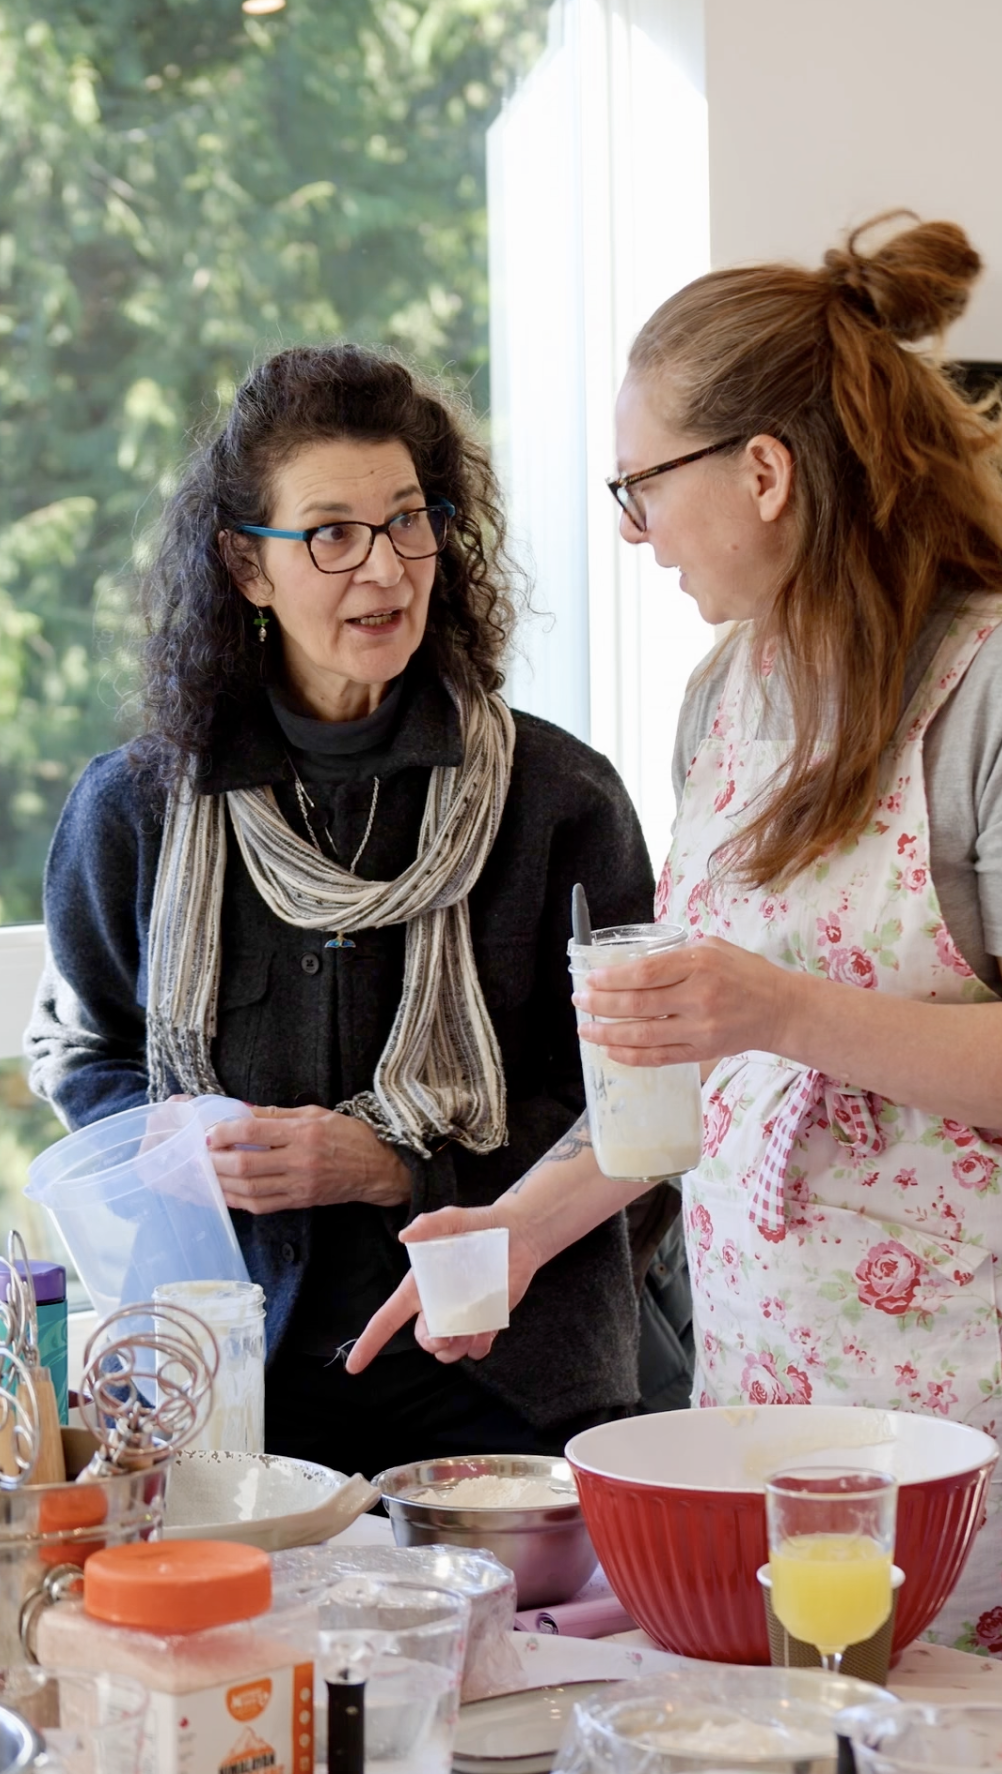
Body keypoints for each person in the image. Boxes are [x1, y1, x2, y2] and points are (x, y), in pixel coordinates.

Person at [349, 216, 1002, 1649]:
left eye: (639, 486)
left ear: (761, 473)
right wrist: (515, 1232)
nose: (631, 533)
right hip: (768, 1424)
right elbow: (689, 1059)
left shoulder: (987, 693)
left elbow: (763, 1016)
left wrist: (783, 1008)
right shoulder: (726, 700)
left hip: (973, 1449)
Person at [25, 342, 658, 1477]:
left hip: (512, 1383)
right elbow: (83, 1050)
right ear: (245, 566)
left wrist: (394, 1165)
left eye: (410, 520)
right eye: (332, 534)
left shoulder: (560, 800)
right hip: (229, 1388)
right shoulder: (134, 808)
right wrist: (168, 1136)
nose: (385, 570)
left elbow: (630, 1109)